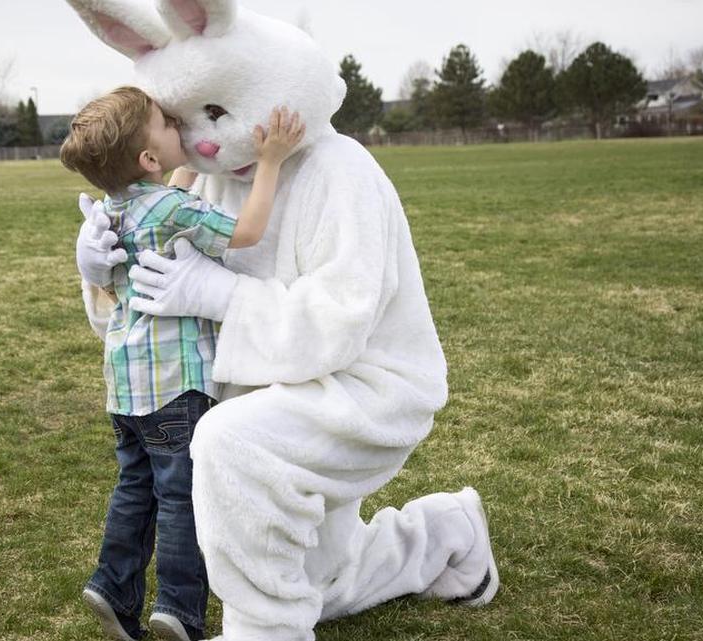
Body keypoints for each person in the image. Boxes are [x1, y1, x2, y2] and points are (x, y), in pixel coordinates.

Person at [66, 2, 499, 640]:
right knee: (324, 580)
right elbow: (151, 320)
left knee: (224, 442)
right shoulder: (202, 183)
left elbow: (340, 321)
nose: (203, 140)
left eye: (216, 114)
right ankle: (445, 532)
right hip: (268, 388)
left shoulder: (341, 171)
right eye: (184, 121)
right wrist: (102, 274)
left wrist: (223, 298)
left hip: (365, 388)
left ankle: (265, 631)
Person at [59, 85, 306, 641]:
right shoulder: (174, 208)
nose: (179, 125)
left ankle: (112, 586)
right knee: (181, 500)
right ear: (149, 157)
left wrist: (186, 162)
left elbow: (165, 191)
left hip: (125, 383)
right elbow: (246, 232)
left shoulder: (112, 210)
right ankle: (178, 608)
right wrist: (270, 161)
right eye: (167, 123)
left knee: (135, 488)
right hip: (176, 384)